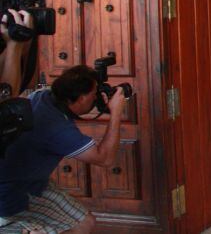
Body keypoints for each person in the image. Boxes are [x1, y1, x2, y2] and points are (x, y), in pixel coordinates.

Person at [0, 65, 126, 234]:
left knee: (84, 222)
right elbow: (105, 159)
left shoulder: (43, 96)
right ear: (81, 99)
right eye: (93, 94)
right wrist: (116, 112)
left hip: (29, 183)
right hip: (13, 196)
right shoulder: (57, 128)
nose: (96, 98)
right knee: (74, 226)